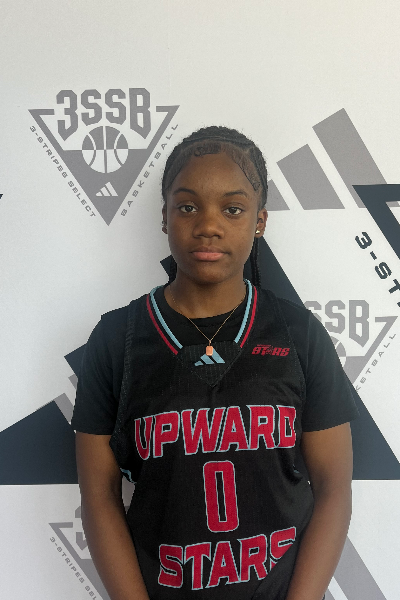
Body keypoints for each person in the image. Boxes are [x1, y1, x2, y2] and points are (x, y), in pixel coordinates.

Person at [72, 126, 358, 600]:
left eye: (232, 208)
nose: (208, 225)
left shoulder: (298, 333)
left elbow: (334, 487)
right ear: (164, 216)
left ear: (259, 221)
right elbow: (99, 495)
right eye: (187, 207)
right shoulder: (116, 339)